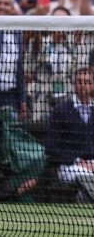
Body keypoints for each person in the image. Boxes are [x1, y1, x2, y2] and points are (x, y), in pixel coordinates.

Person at [46, 67, 94, 202]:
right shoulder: (61, 110)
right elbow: (51, 147)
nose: (83, 86)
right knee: (86, 176)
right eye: (79, 82)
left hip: (92, 163)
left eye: (87, 82)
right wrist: (78, 161)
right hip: (69, 166)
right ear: (74, 84)